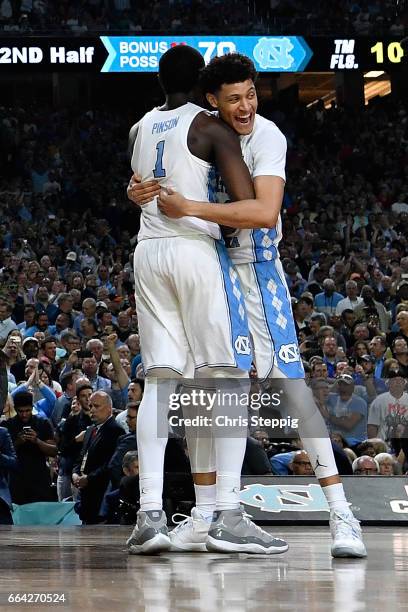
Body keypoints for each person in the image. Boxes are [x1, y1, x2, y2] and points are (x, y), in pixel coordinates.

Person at [129, 53, 366, 557]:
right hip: (211, 269)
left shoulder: (267, 136)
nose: (247, 105)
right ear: (211, 100)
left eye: (252, 94)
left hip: (255, 273)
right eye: (235, 98)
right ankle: (207, 513)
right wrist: (138, 191)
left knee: (291, 390)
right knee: (202, 396)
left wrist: (187, 207)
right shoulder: (199, 129)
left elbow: (262, 211)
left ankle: (342, 515)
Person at [125, 45, 287, 556]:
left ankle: (149, 513)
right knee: (229, 376)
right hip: (195, 248)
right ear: (203, 87)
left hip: (148, 252)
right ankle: (228, 512)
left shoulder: (139, 127)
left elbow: (138, 184)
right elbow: (250, 204)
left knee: (161, 381)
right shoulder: (210, 127)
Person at [72, 391, 125, 524]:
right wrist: (75, 473)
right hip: (85, 495)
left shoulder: (116, 430)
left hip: (101, 493)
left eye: (96, 406)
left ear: (108, 408)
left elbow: (110, 464)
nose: (92, 410)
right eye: (90, 407)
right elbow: (81, 457)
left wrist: (89, 478)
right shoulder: (90, 430)